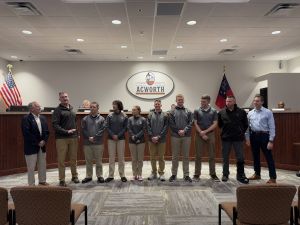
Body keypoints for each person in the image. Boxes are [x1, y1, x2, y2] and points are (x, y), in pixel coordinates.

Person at [218, 96, 249, 184]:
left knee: (240, 157)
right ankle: (225, 174)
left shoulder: (241, 112)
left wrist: (240, 132)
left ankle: (240, 175)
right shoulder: (221, 112)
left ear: (234, 102)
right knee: (225, 157)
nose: (228, 103)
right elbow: (220, 125)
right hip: (226, 138)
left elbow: (245, 124)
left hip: (238, 138)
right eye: (227, 101)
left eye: (230, 101)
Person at [246, 94, 277, 184]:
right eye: (254, 101)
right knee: (255, 156)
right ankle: (257, 174)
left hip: (264, 136)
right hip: (254, 136)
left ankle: (273, 177)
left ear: (262, 102)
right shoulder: (250, 113)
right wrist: (247, 138)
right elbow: (247, 128)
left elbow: (272, 127)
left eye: (257, 101)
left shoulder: (268, 112)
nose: (255, 102)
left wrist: (271, 140)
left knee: (269, 157)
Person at [52, 92, 80, 186]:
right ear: (59, 99)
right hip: (61, 138)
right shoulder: (57, 110)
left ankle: (74, 176)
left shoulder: (72, 109)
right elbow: (55, 125)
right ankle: (62, 179)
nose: (65, 98)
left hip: (73, 138)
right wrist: (66, 131)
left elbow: (75, 123)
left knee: (73, 159)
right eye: (62, 97)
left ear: (68, 97)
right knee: (61, 160)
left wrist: (77, 133)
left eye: (66, 96)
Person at [21, 101, 49, 186]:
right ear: (31, 109)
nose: (40, 107)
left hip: (42, 146)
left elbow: (47, 132)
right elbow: (26, 133)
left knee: (42, 165)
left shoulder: (43, 118)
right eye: (37, 106)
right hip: (31, 146)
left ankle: (42, 181)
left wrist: (44, 140)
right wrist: (37, 142)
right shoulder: (26, 118)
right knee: (31, 167)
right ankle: (31, 185)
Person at [193, 95, 219, 181]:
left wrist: (205, 132)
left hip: (210, 134)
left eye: (203, 102)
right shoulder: (197, 110)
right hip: (199, 135)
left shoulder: (214, 111)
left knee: (212, 155)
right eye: (201, 101)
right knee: (198, 155)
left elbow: (215, 124)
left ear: (208, 102)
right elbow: (195, 123)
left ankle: (213, 174)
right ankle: (197, 174)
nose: (202, 103)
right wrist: (201, 132)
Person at [169, 94, 193, 182]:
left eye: (181, 100)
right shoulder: (172, 112)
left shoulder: (188, 111)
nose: (180, 101)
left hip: (186, 136)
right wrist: (178, 131)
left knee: (186, 156)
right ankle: (174, 174)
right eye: (178, 100)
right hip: (175, 136)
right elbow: (171, 124)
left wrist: (184, 131)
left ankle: (186, 175)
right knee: (175, 156)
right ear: (176, 101)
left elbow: (191, 123)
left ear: (184, 101)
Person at [81, 101, 105, 184]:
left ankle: (99, 176)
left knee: (99, 161)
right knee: (88, 161)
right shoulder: (85, 119)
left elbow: (102, 130)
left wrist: (95, 137)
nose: (92, 108)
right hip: (87, 143)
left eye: (94, 107)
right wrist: (89, 137)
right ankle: (89, 176)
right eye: (91, 107)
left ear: (98, 108)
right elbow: (83, 130)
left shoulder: (102, 119)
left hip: (98, 143)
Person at [105, 100, 128, 183]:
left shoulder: (124, 116)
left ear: (119, 105)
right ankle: (111, 176)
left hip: (121, 139)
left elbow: (125, 128)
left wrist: (118, 135)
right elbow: (107, 127)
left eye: (115, 104)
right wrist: (113, 135)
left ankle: (122, 175)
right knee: (111, 158)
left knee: (121, 158)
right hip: (111, 139)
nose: (113, 106)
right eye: (113, 104)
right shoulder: (109, 115)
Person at [147, 99, 168, 181]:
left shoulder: (165, 115)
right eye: (156, 104)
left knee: (161, 157)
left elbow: (166, 127)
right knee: (152, 157)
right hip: (151, 139)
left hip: (161, 139)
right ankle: (154, 172)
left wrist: (158, 137)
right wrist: (152, 136)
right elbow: (148, 126)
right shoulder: (150, 115)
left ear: (161, 105)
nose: (157, 105)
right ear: (154, 105)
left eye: (158, 104)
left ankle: (161, 173)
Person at [128, 105, 147, 181]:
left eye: (134, 110)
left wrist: (136, 137)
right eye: (132, 110)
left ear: (139, 110)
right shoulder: (129, 119)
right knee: (134, 159)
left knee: (140, 159)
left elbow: (144, 130)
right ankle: (134, 175)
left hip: (141, 141)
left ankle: (139, 174)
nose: (133, 111)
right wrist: (133, 136)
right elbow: (129, 129)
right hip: (131, 141)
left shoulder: (143, 119)